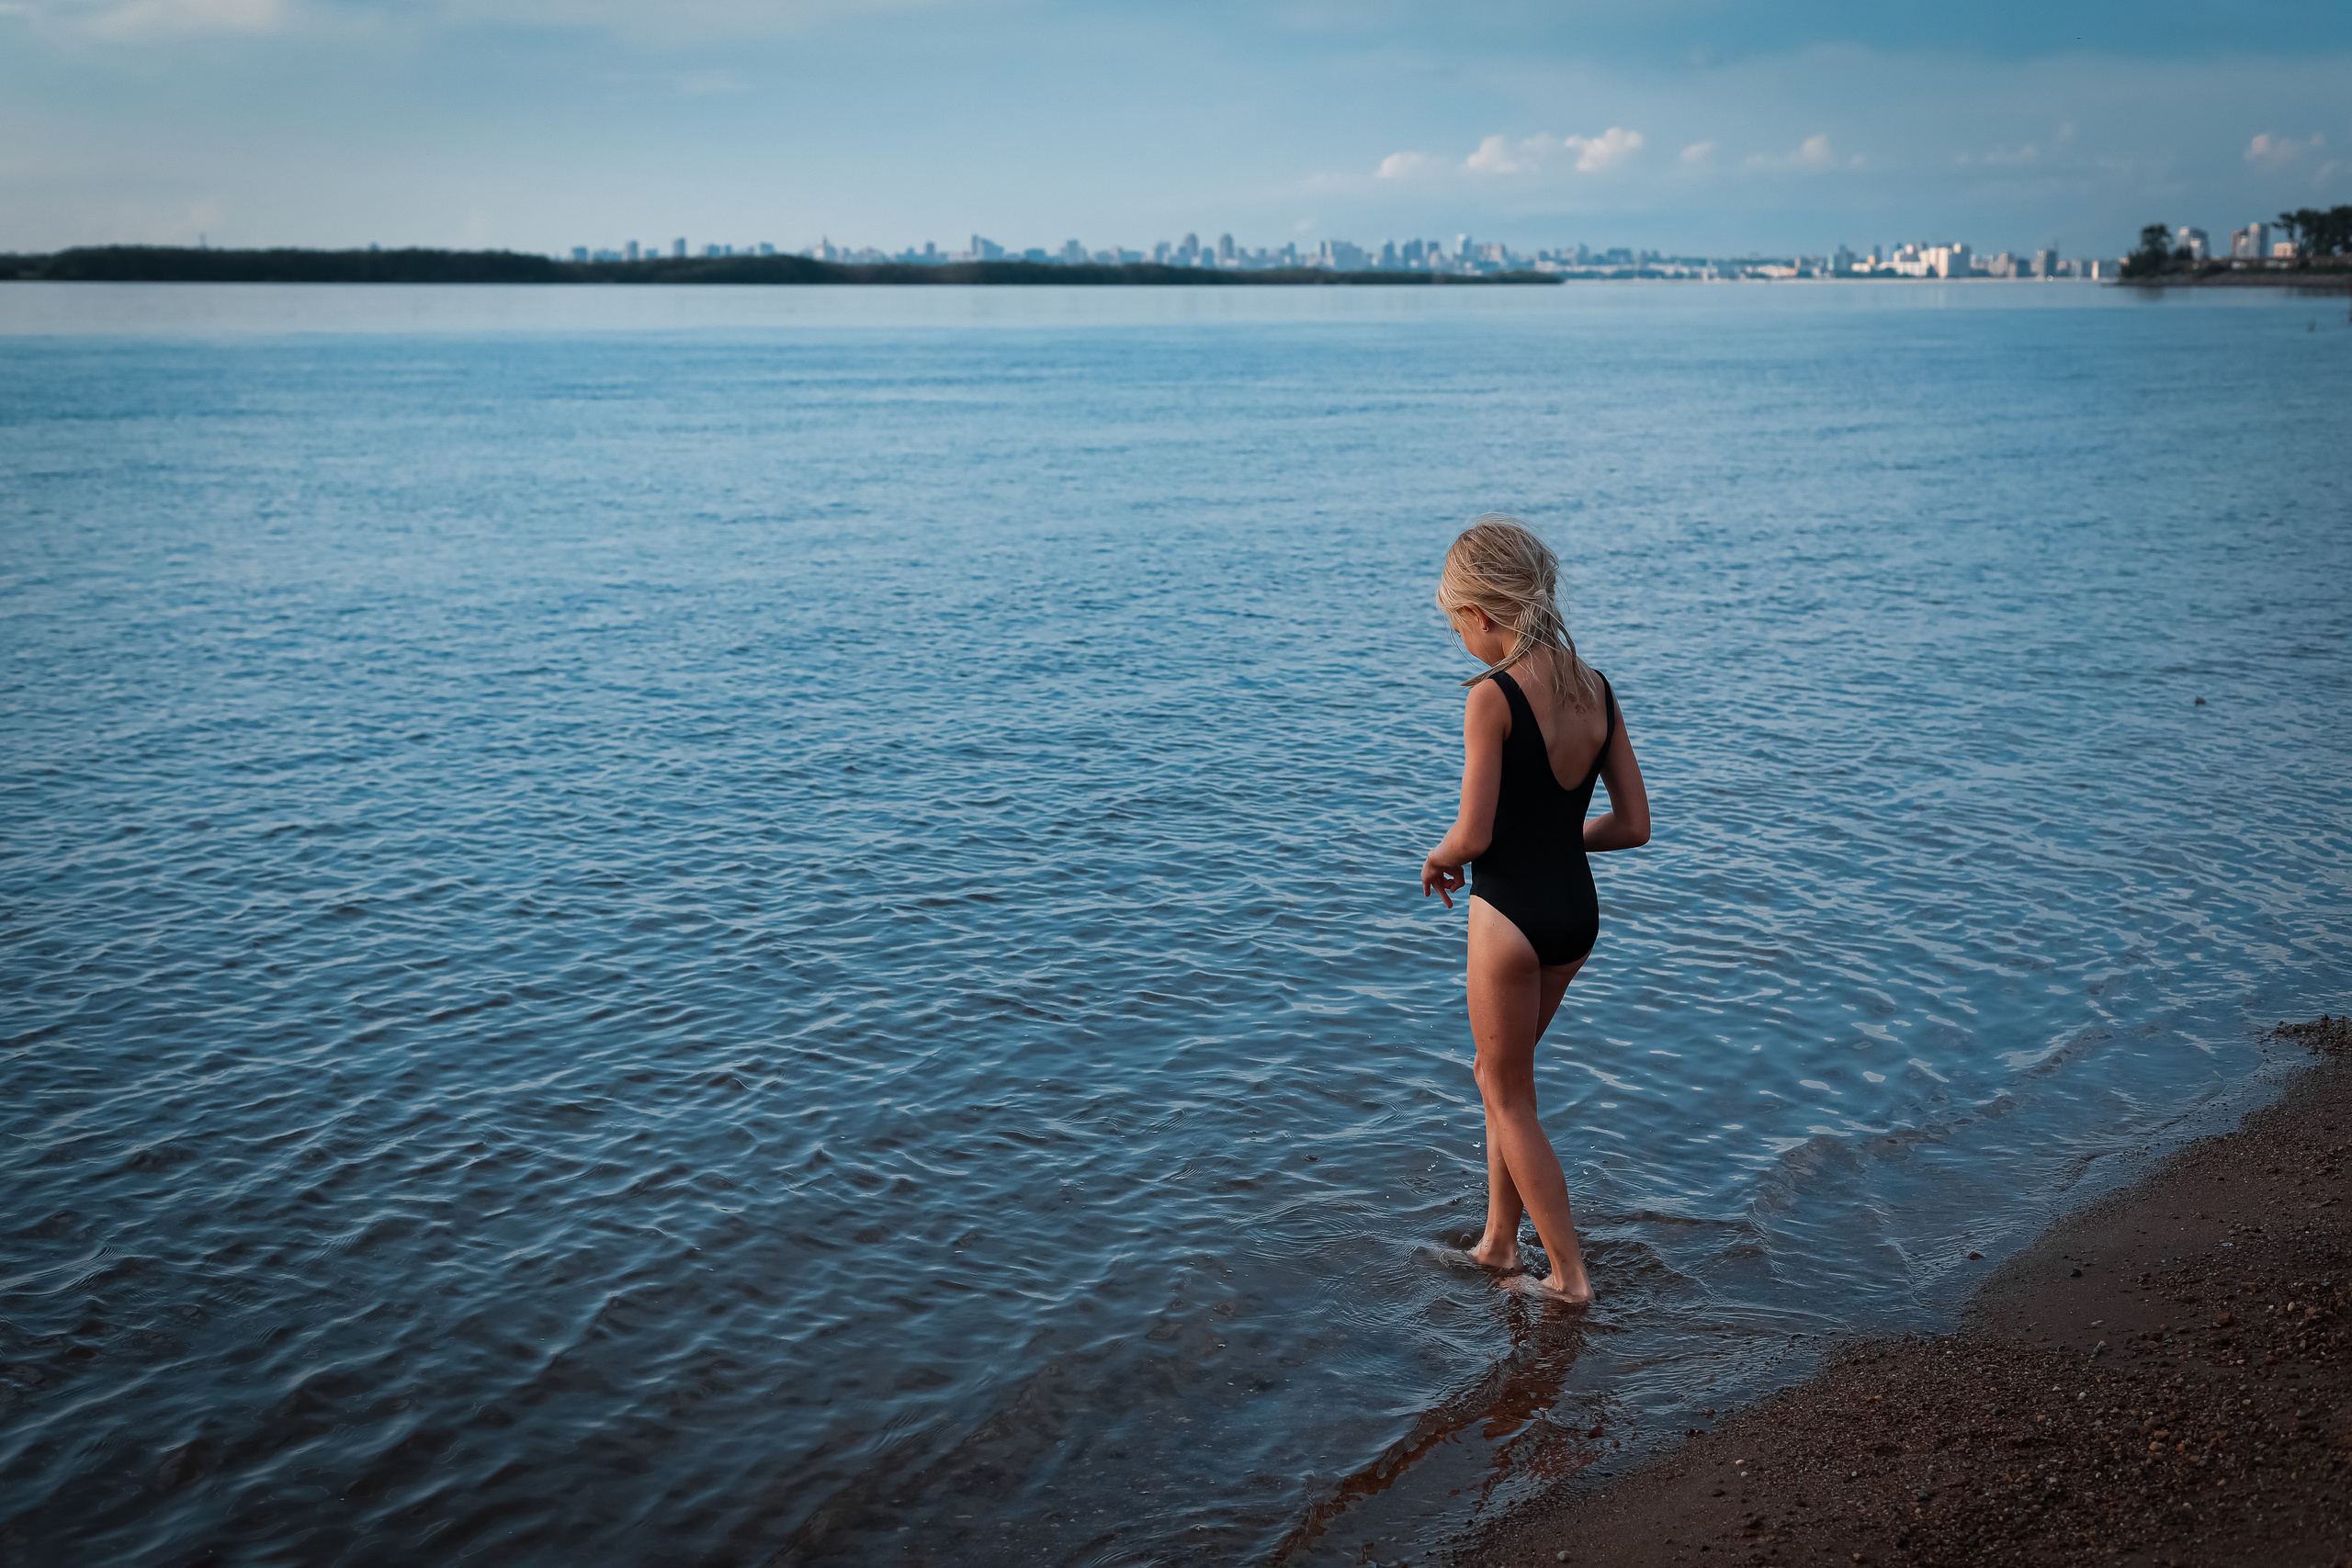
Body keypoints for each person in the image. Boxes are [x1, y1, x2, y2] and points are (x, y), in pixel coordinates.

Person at [1419, 515, 1650, 1304]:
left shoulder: (1492, 697)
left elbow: (1474, 831)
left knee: (1505, 1089)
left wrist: (1440, 857)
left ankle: (1570, 1278)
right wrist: (1557, 838)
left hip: (1509, 913)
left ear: (1484, 614)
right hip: (1574, 917)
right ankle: (1496, 1243)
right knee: (1502, 1077)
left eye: (1459, 625)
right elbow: (1633, 825)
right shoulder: (1597, 688)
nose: (1462, 641)